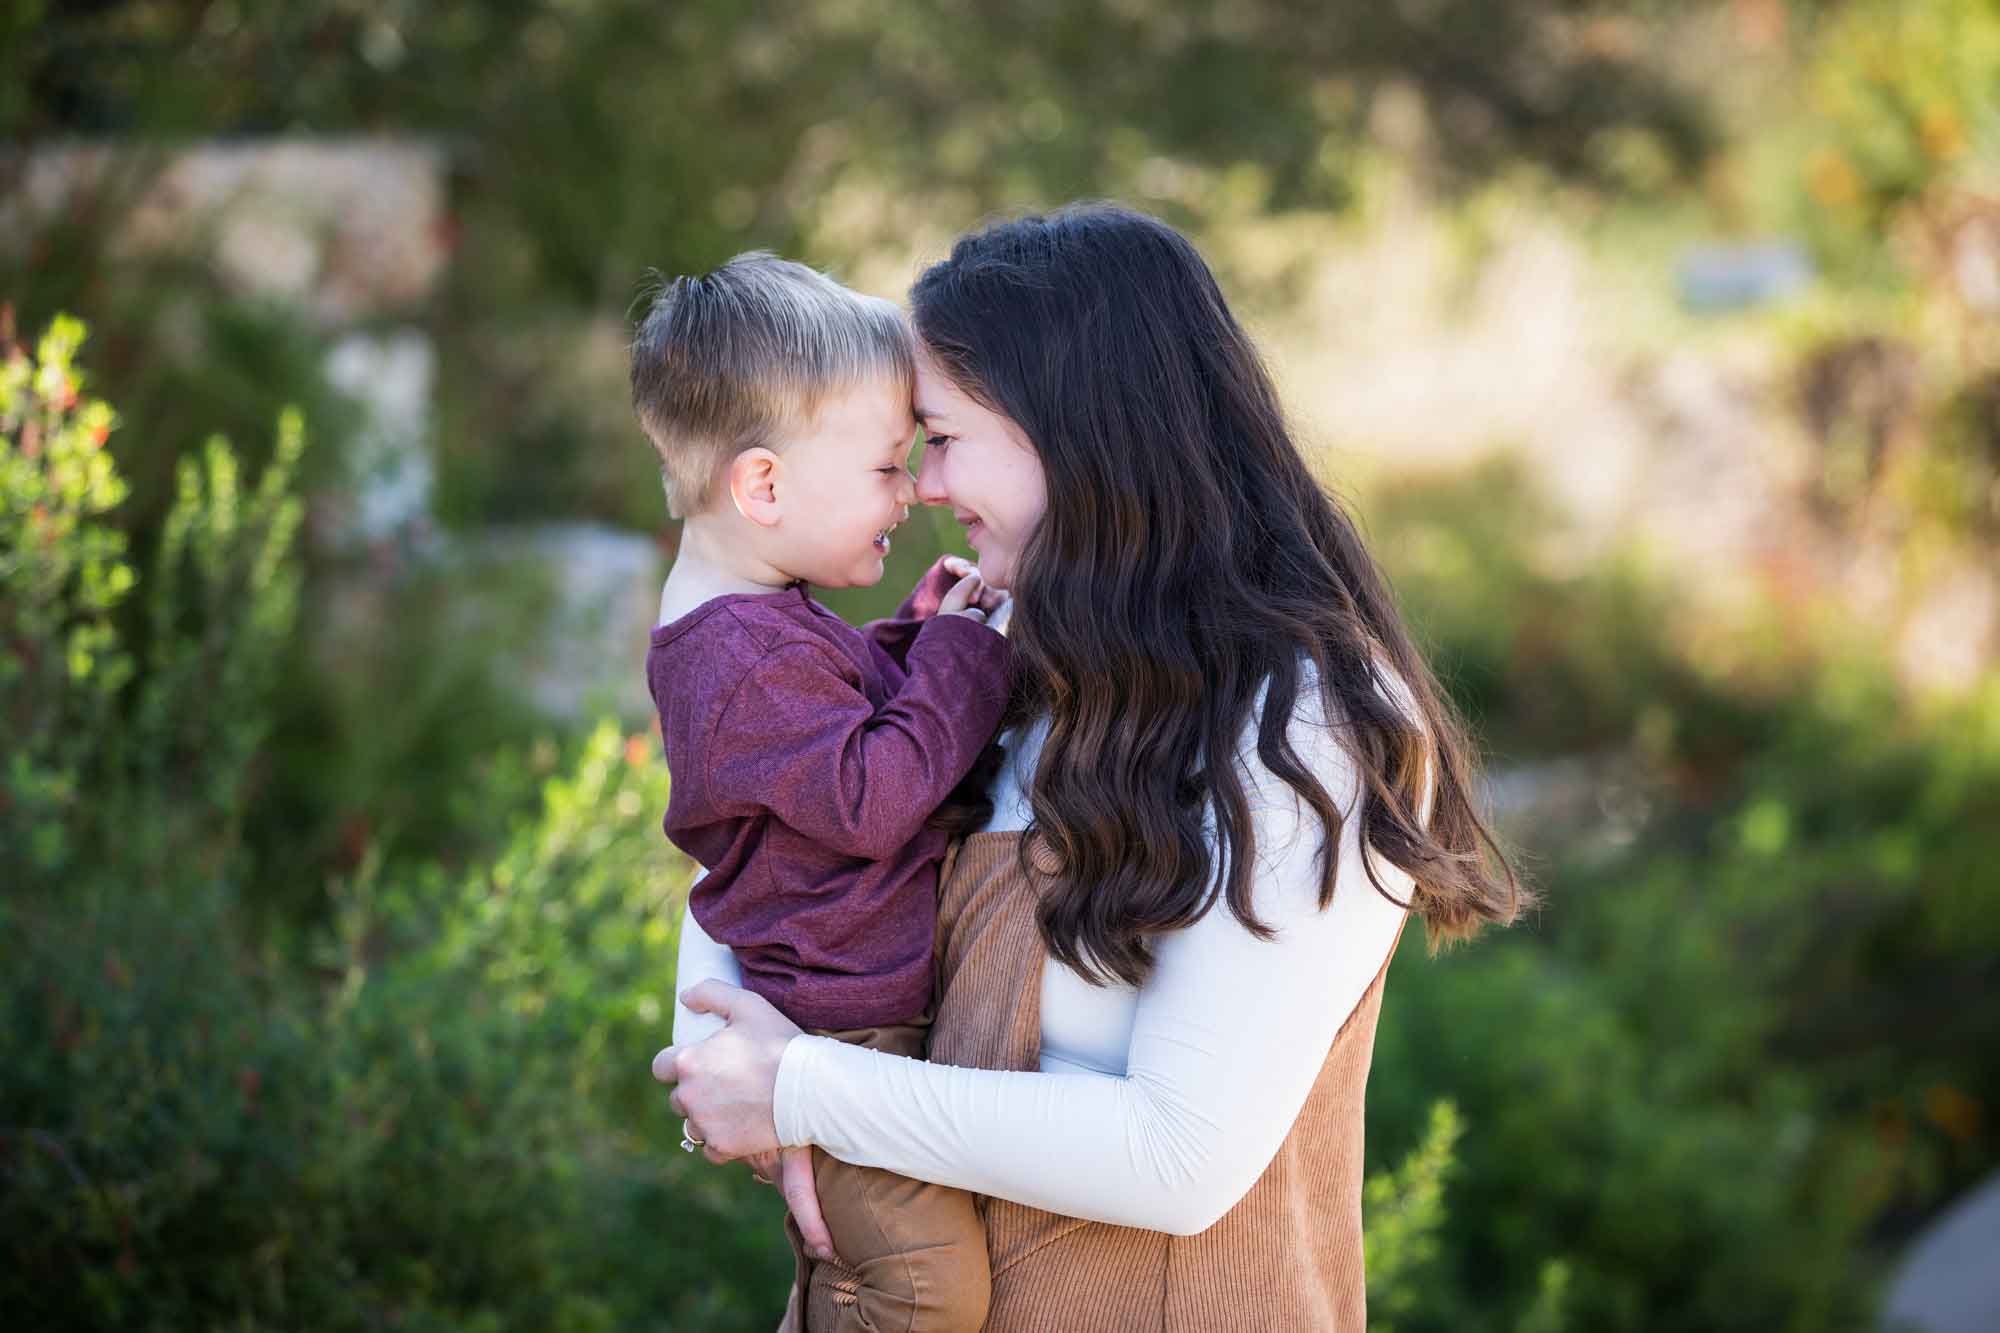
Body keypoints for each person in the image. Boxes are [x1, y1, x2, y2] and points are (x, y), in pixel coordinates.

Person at [656, 205, 1528, 1331]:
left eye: (944, 435)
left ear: (1074, 435)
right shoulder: (1013, 656)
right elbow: (763, 836)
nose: (921, 486)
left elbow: (1177, 1156)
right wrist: (720, 1060)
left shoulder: (1299, 721)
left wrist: (806, 1089)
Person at [631, 251, 1014, 1332]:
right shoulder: (739, 649)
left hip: (841, 1029)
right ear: (762, 485)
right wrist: (959, 659)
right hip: (838, 1038)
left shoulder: (752, 617)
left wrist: (910, 633)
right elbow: (868, 795)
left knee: (869, 1272)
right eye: (887, 468)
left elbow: (827, 726)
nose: (912, 494)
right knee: (920, 1292)